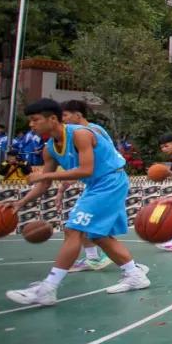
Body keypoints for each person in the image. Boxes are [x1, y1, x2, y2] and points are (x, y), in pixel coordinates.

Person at [5, 99, 150, 306]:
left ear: (52, 119)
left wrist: (44, 178)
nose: (31, 124)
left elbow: (86, 169)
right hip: (97, 185)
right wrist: (20, 203)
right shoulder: (49, 149)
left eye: (35, 120)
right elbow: (44, 184)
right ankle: (134, 275)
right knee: (98, 235)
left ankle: (48, 288)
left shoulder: (81, 134)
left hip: (110, 181)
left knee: (73, 230)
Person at [59, 100, 114, 272]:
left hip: (107, 183)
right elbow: (84, 165)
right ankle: (93, 258)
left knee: (81, 225)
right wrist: (64, 185)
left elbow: (99, 161)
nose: (64, 120)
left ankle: (128, 267)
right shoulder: (78, 133)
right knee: (82, 223)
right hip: (97, 183)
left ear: (78, 114)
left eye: (66, 115)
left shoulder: (90, 132)